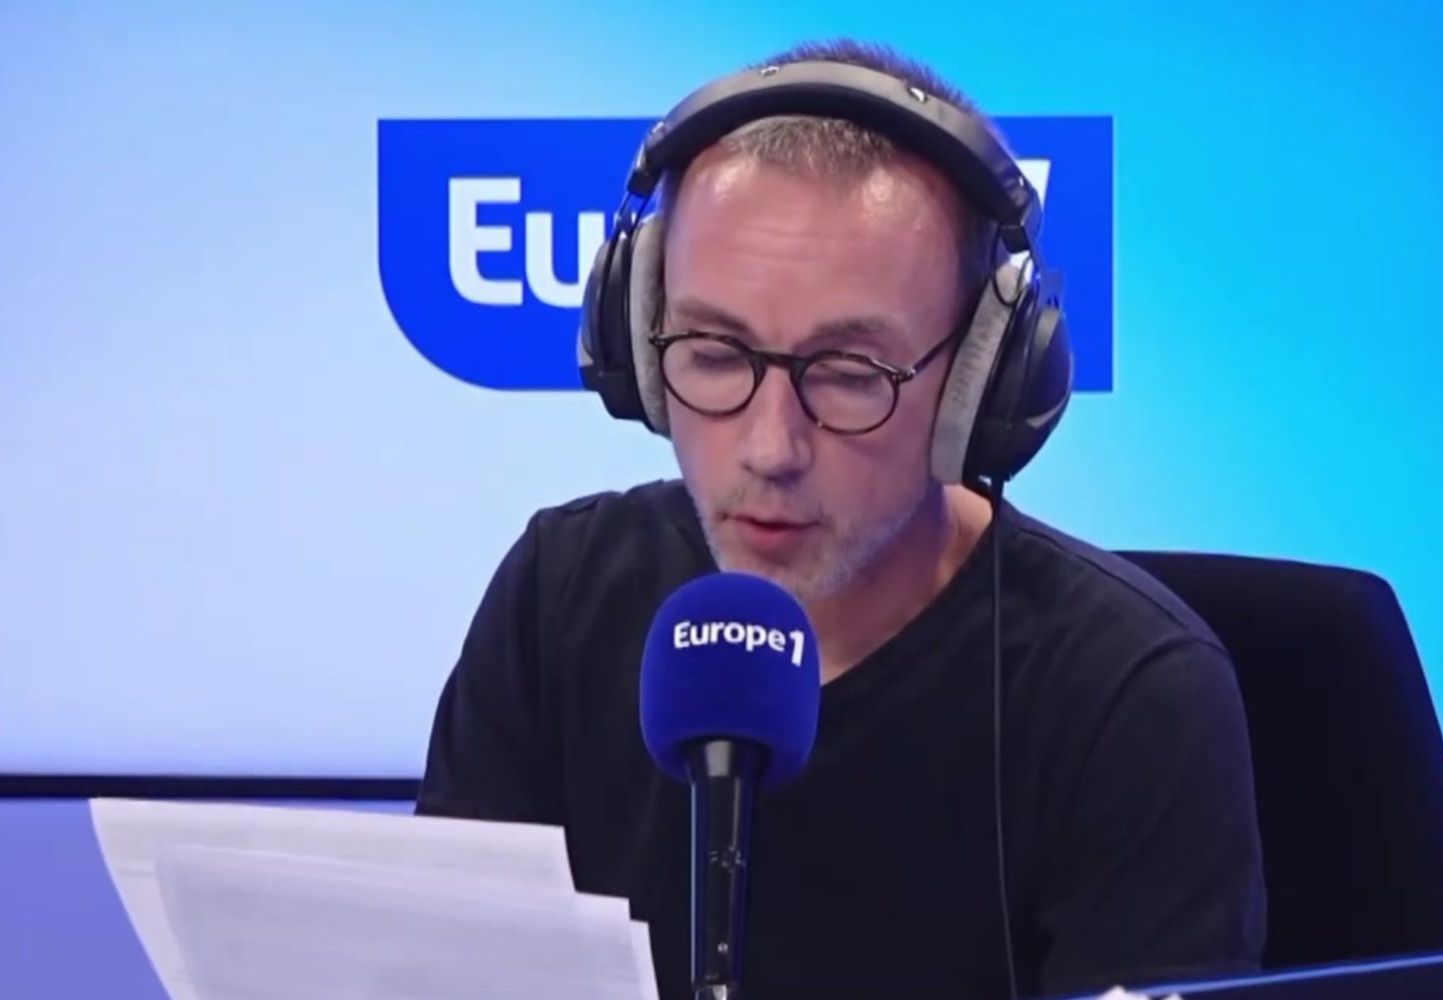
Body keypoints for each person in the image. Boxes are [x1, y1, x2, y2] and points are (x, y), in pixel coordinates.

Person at [415, 38, 1267, 1000]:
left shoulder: (1130, 694)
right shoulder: (559, 598)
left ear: (982, 382)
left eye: (852, 374)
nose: (771, 448)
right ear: (639, 352)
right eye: (714, 353)